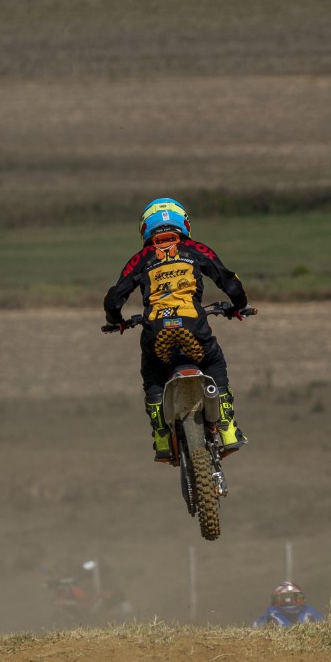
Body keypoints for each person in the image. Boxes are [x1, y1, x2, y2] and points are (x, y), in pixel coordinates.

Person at [102, 195, 249, 462]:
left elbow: (114, 299)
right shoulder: (196, 249)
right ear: (185, 224)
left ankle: (161, 436)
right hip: (194, 325)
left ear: (145, 228)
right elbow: (228, 280)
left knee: (153, 373)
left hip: (156, 330)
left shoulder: (142, 258)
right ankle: (227, 428)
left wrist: (117, 320)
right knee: (214, 361)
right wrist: (239, 305)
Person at [252, 582, 324, 627]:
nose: (289, 600)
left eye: (294, 597)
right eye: (285, 597)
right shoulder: (272, 612)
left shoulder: (309, 610)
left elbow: (323, 624)